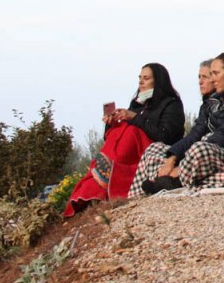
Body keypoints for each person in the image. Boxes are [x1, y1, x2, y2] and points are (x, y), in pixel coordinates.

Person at [130, 52, 224, 195]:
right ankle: (148, 189)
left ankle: (172, 179)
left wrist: (182, 164)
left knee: (200, 149)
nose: (212, 79)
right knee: (155, 149)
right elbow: (195, 134)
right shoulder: (213, 101)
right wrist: (172, 159)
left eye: (215, 73)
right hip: (216, 155)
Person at [65, 62, 185, 216]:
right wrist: (111, 124)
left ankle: (105, 174)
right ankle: (103, 177)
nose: (141, 82)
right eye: (140, 78)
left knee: (130, 131)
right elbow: (113, 136)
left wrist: (134, 118)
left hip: (153, 151)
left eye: (146, 78)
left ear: (158, 81)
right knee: (120, 129)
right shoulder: (137, 104)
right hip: (130, 151)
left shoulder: (171, 104)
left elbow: (166, 135)